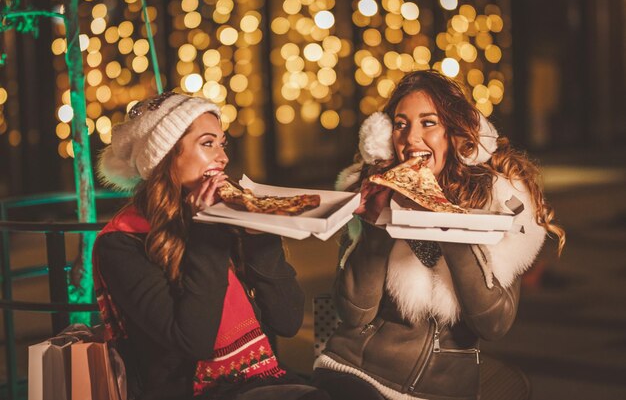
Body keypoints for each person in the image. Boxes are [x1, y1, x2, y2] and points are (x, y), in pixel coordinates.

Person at [311, 70, 566, 400]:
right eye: (401, 124)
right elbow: (354, 313)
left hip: (441, 390)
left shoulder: (497, 201)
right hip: (356, 372)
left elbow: (494, 325)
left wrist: (449, 222)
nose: (411, 138)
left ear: (455, 135)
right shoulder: (371, 189)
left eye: (428, 122)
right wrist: (376, 226)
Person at [94, 92, 329, 400]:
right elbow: (193, 340)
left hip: (262, 377)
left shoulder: (225, 212)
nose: (223, 158)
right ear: (166, 155)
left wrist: (260, 234)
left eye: (222, 144)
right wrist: (205, 233)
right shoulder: (121, 243)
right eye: (208, 143)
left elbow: (287, 321)